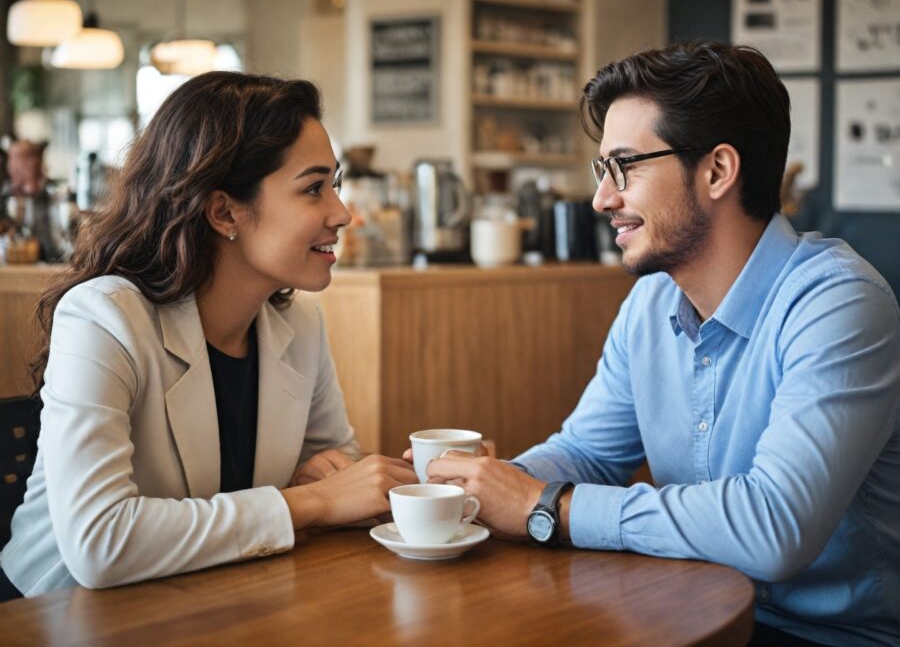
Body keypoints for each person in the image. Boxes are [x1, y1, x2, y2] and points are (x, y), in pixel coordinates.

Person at [424, 42, 900, 646]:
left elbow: (774, 528)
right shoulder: (651, 303)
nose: (603, 199)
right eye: (603, 171)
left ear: (718, 171)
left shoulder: (838, 302)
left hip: (824, 637)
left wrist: (546, 506)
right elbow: (590, 454)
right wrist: (484, 485)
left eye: (625, 166)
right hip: (686, 607)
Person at [0, 72, 417, 598]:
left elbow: (338, 472)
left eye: (335, 184)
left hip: (212, 598)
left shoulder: (299, 324)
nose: (342, 213)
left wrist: (355, 485)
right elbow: (99, 543)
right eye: (314, 188)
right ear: (223, 211)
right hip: (57, 613)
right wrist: (314, 503)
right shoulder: (103, 318)